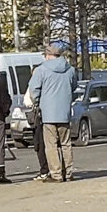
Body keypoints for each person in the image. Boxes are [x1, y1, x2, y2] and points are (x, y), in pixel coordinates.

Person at [28, 44, 78, 183]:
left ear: (48, 55)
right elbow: (74, 86)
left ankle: (56, 174)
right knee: (66, 144)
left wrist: (38, 102)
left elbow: (34, 90)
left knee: (51, 145)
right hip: (64, 112)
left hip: (48, 113)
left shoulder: (41, 70)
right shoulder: (70, 70)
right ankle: (68, 173)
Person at [24, 68, 49, 181]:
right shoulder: (49, 83)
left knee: (40, 144)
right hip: (52, 116)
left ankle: (45, 170)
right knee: (54, 144)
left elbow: (27, 101)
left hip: (39, 117)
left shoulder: (34, 86)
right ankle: (58, 169)